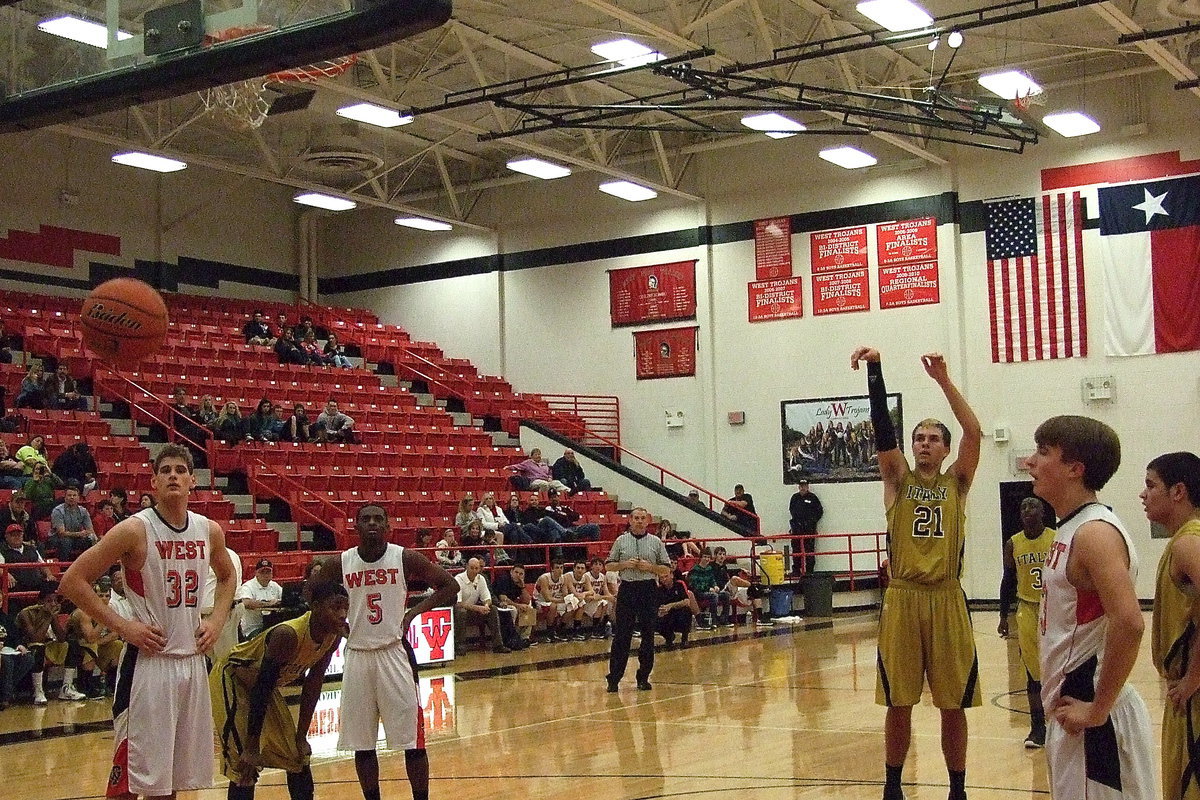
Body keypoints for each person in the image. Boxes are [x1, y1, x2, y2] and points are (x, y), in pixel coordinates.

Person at [57, 443, 237, 800]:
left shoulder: (209, 530)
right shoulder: (134, 530)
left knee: (167, 782)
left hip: (190, 663)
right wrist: (124, 627)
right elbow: (72, 581)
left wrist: (216, 620)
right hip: (147, 666)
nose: (173, 475)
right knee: (129, 782)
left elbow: (228, 577)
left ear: (192, 481)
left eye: (180, 470)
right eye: (165, 470)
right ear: (154, 481)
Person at [850, 346, 982, 800]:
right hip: (903, 597)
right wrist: (875, 369)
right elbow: (882, 430)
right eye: (919, 438)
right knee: (898, 701)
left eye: (932, 438)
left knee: (953, 705)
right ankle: (892, 786)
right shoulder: (897, 480)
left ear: (945, 449)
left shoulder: (957, 483)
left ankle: (958, 789)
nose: (924, 443)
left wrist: (944, 381)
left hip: (947, 596)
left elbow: (975, 431)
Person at [1027, 416, 1154, 800]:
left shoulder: (1094, 533)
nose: (1030, 462)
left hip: (1095, 723)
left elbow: (1130, 623)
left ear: (1074, 469)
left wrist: (1098, 709)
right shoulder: (1070, 527)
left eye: (1043, 452)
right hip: (1074, 716)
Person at [322, 504, 458, 800]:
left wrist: (412, 614)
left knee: (413, 742)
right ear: (355, 526)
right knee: (362, 743)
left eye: (378, 519)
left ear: (388, 526)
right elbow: (311, 592)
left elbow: (450, 586)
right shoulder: (341, 563)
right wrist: (336, 623)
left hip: (394, 653)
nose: (372, 523)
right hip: (357, 655)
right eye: (366, 519)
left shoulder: (404, 557)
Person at [211, 583, 348, 800]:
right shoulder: (288, 635)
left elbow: (313, 683)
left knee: (296, 756)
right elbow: (263, 687)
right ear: (316, 606)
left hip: (262, 686)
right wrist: (252, 745)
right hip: (232, 678)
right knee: (244, 763)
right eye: (336, 607)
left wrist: (301, 735)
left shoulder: (333, 636)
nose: (342, 614)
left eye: (345, 608)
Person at [1142, 452, 1200, 800]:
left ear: (1178, 491)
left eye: (1151, 485)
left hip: (1193, 697)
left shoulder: (1188, 542)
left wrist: (1194, 675)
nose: (1143, 494)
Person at [997, 497, 1053, 749]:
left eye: (1033, 506)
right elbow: (1008, 579)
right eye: (1023, 507)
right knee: (1033, 673)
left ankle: (1060, 724)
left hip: (1054, 608)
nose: (1028, 510)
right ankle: (1037, 728)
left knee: (1060, 667)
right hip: (1027, 609)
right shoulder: (1013, 543)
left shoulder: (1056, 538)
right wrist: (1002, 615)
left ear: (1043, 512)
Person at [605, 507, 672, 692]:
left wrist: (650, 567)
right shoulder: (621, 541)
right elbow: (609, 565)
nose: (639, 521)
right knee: (622, 636)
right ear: (630, 520)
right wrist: (623, 565)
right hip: (627, 588)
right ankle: (614, 679)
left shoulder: (656, 542)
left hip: (648, 589)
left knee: (648, 635)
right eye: (636, 518)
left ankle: (643, 677)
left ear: (647, 521)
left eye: (643, 518)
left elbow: (666, 569)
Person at [453, 557, 509, 654]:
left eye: (476, 568)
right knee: (461, 611)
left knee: (493, 609)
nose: (474, 571)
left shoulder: (481, 578)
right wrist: (478, 608)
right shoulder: (458, 579)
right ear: (466, 567)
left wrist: (486, 606)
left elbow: (487, 598)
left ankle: (498, 645)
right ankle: (460, 645)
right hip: (458, 612)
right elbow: (459, 603)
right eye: (472, 568)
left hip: (474, 611)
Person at [236, 558, 283, 640]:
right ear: (256, 573)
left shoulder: (274, 586)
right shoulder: (248, 586)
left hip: (271, 626)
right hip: (252, 630)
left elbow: (284, 598)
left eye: (268, 572)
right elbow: (245, 602)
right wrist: (269, 604)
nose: (265, 575)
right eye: (262, 572)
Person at [48, 485, 97, 562]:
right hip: (57, 538)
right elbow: (61, 533)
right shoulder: (58, 511)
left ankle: (86, 566)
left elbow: (90, 530)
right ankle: (63, 567)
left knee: (88, 540)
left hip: (75, 538)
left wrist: (92, 538)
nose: (72, 497)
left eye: (74, 495)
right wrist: (79, 534)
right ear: (65, 497)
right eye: (69, 495)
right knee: (65, 542)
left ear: (78, 498)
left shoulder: (83, 511)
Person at [493, 563, 535, 648]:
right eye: (516, 572)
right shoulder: (504, 579)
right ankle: (509, 638)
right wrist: (518, 605)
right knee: (513, 610)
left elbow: (527, 600)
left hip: (511, 604)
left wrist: (523, 587)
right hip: (498, 605)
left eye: (521, 574)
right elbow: (502, 597)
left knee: (529, 608)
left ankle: (525, 638)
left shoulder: (519, 583)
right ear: (511, 572)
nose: (518, 575)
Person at [789, 479, 824, 575]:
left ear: (807, 486)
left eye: (804, 486)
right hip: (797, 529)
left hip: (809, 529)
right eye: (801, 486)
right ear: (798, 487)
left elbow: (819, 511)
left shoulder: (813, 498)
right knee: (796, 550)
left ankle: (809, 572)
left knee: (809, 551)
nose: (802, 488)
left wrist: (811, 522)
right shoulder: (795, 498)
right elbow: (791, 510)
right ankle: (796, 570)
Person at [654, 569, 694, 648]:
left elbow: (686, 601)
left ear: (671, 575)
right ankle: (669, 637)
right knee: (654, 619)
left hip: (678, 613)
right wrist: (659, 611)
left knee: (687, 611)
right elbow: (656, 605)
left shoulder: (679, 585)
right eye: (661, 578)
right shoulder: (659, 590)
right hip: (667, 615)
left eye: (666, 576)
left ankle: (684, 638)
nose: (664, 579)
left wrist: (671, 605)